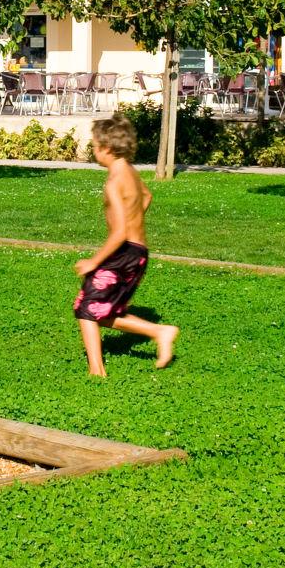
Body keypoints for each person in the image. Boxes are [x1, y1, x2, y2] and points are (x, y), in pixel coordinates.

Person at [73, 116, 179, 377]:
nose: (94, 150)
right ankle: (156, 332)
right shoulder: (130, 171)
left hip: (124, 252)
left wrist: (94, 261)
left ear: (107, 149)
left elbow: (119, 232)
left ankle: (97, 371)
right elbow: (147, 196)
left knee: (86, 308)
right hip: (138, 252)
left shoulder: (113, 182)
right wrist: (135, 222)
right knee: (98, 309)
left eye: (96, 145)